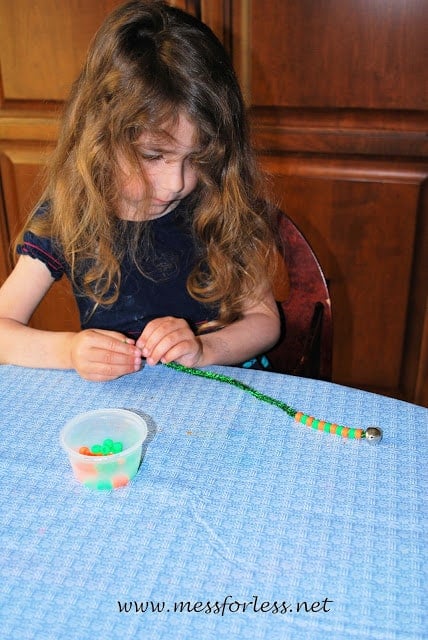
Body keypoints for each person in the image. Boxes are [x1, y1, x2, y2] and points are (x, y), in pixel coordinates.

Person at [0, 0, 280, 382]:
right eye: (153, 155)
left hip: (224, 392)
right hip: (124, 409)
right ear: (99, 137)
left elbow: (265, 321)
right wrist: (69, 350)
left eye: (196, 157)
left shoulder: (217, 202)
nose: (177, 183)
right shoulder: (70, 214)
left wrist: (205, 348)